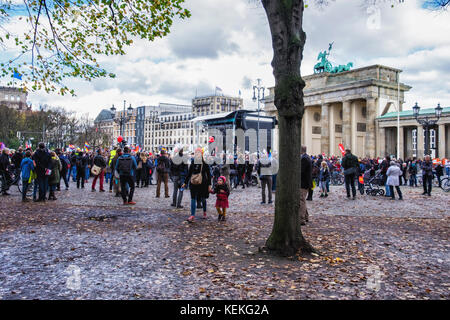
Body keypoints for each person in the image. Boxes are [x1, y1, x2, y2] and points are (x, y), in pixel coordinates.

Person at [182, 149, 212, 223]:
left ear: (201, 154)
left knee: (203, 198)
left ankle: (204, 212)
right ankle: (192, 215)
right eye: (196, 153)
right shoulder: (193, 162)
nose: (197, 155)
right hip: (193, 183)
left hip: (203, 184)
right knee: (193, 198)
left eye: (198, 153)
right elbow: (189, 173)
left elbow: (209, 175)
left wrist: (209, 185)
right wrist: (185, 182)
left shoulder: (204, 163)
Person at [300, 145, 312, 225]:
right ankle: (306, 217)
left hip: (303, 183)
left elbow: (301, 171)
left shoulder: (304, 158)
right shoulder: (306, 157)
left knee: (301, 200)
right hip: (305, 182)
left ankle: (301, 219)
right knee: (303, 200)